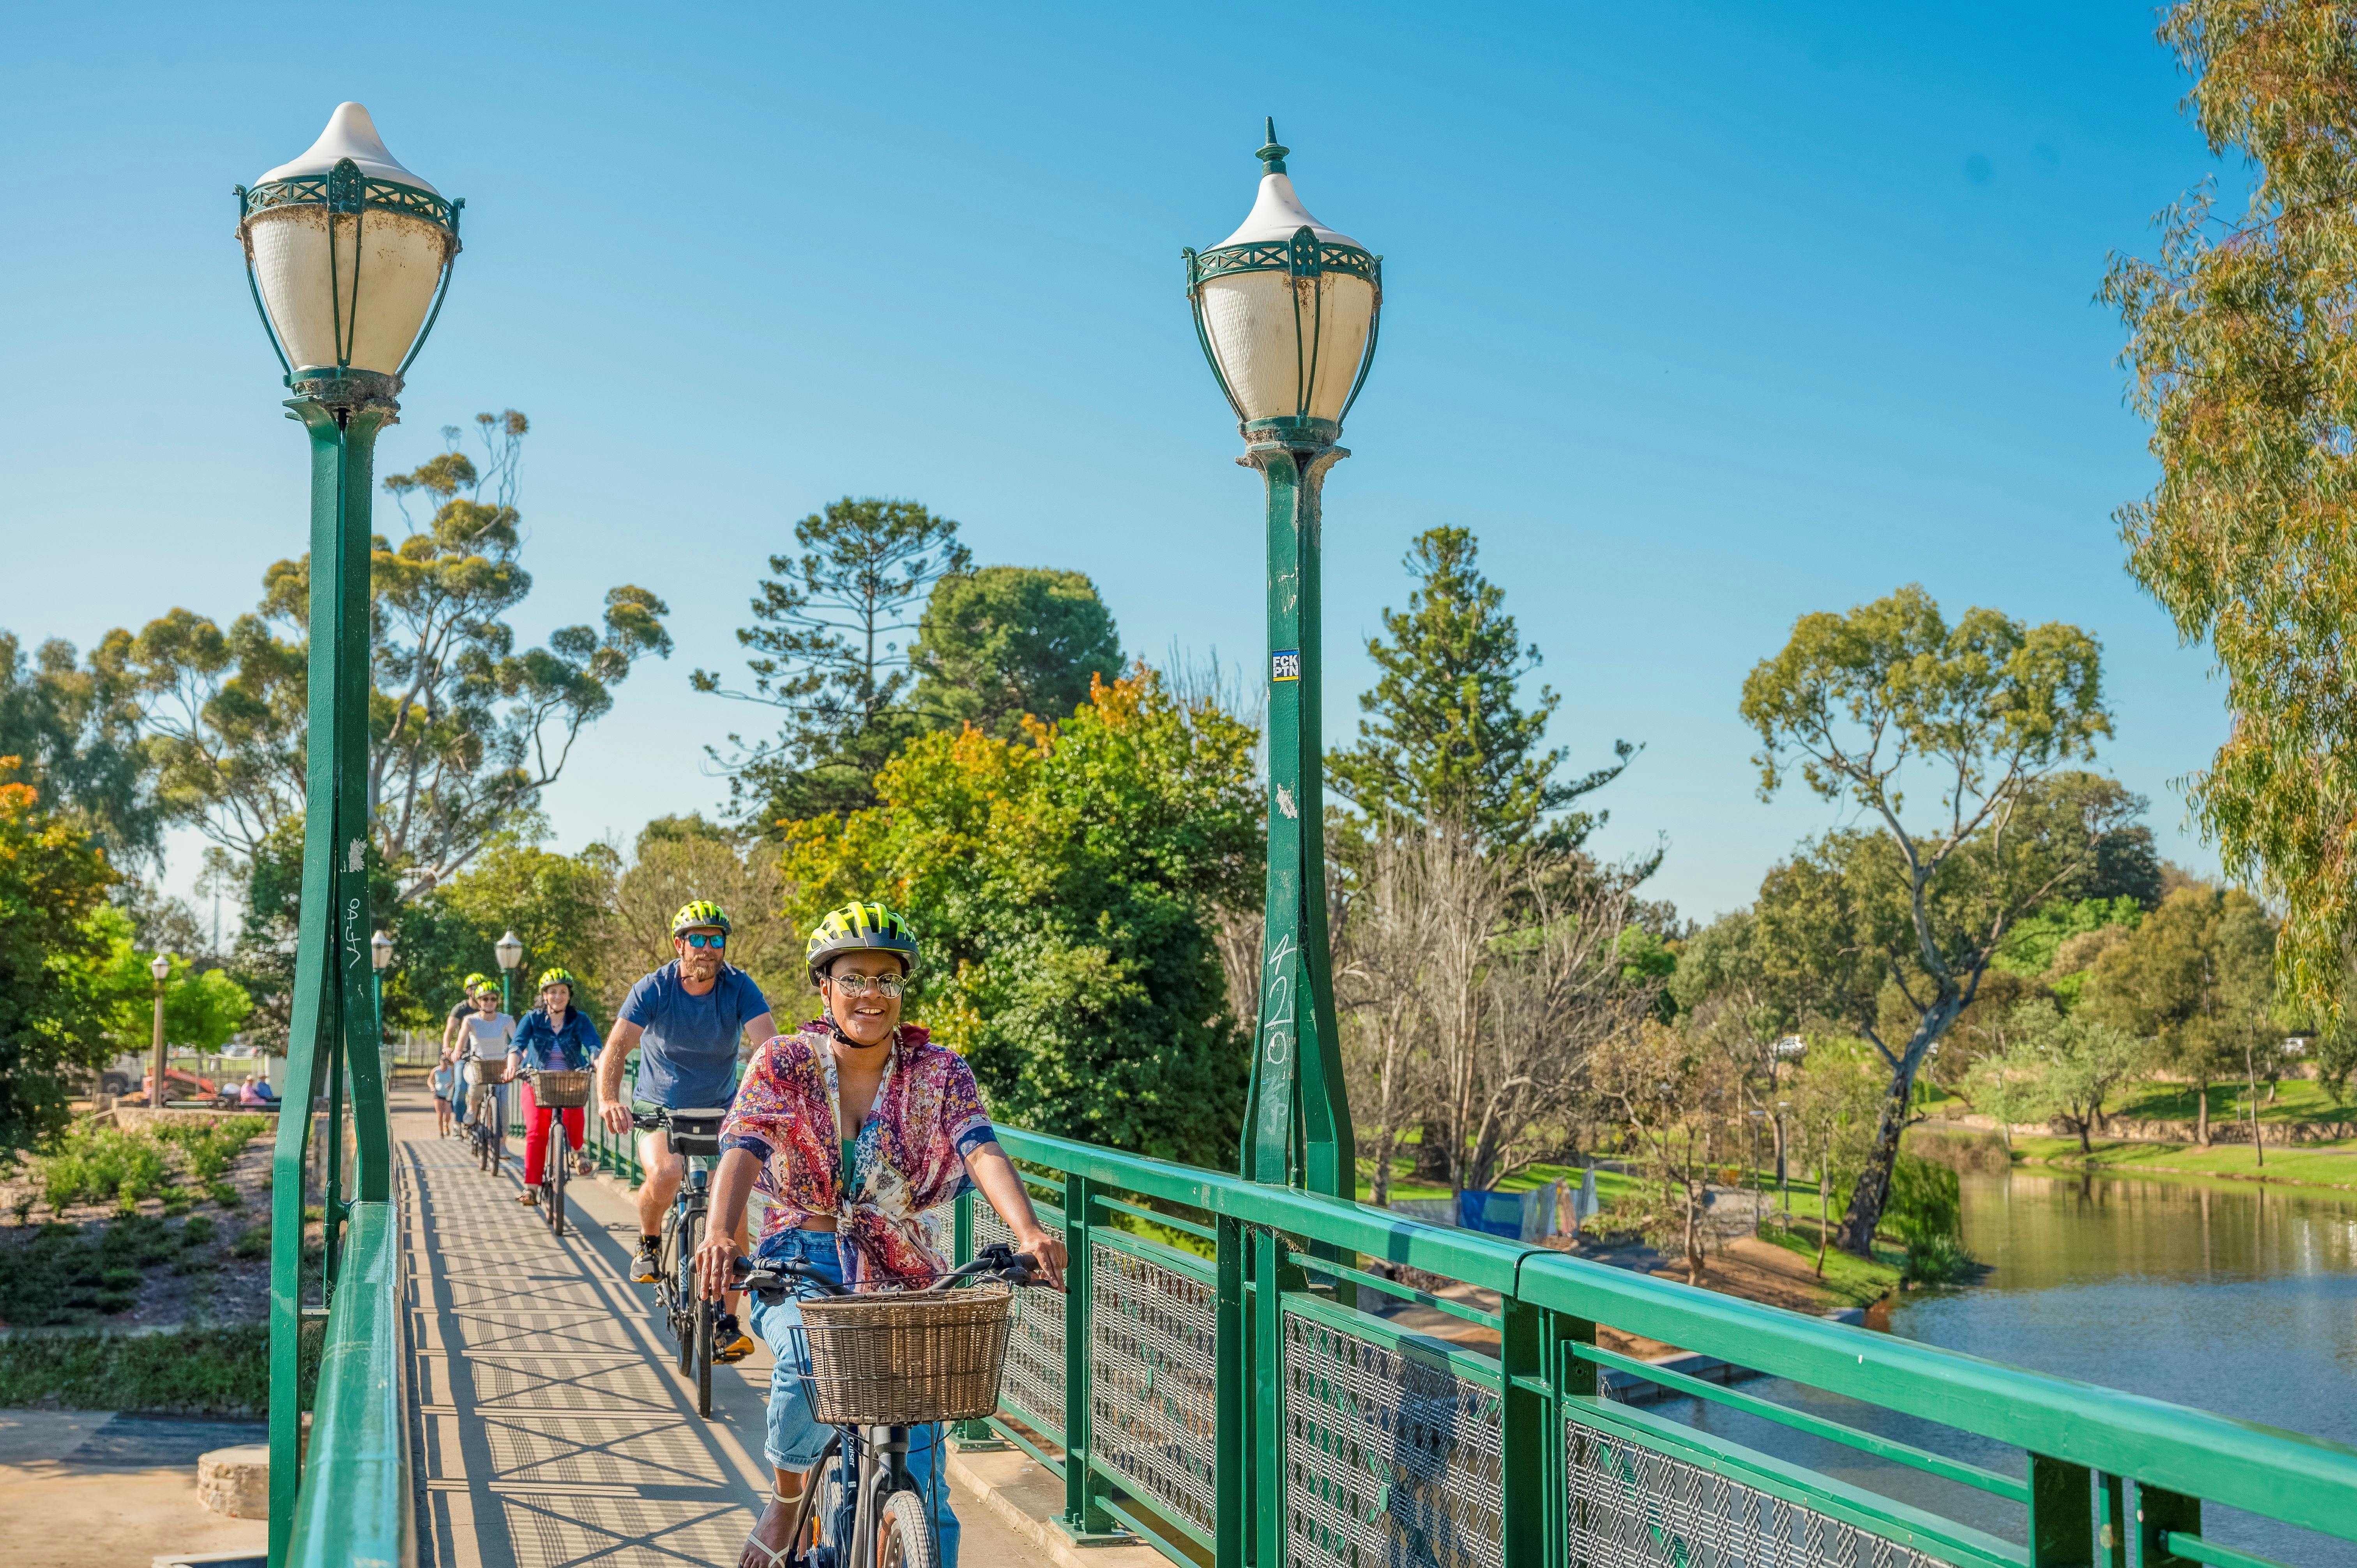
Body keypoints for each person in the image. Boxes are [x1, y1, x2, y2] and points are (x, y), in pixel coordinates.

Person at [694, 901, 1068, 1568]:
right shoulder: (784, 1061)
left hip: (904, 1266)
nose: (872, 992)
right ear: (824, 985)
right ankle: (787, 1496)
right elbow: (744, 1145)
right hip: (801, 1254)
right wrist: (721, 1233)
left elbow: (978, 1145)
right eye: (855, 976)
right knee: (806, 1358)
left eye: (887, 979)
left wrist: (1030, 1229)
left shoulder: (939, 1069)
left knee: (924, 1475)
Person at [596, 900, 777, 1360]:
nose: (707, 948)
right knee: (666, 1174)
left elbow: (768, 1046)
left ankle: (726, 1322)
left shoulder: (739, 987)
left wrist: (775, 1104)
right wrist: (608, 1099)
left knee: (731, 1202)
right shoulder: (653, 988)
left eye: (716, 939)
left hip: (722, 1109)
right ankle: (650, 1239)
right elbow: (618, 1045)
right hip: (660, 1106)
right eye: (697, 939)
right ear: (680, 945)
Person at [496, 966, 601, 1204]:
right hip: (537, 1081)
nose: (558, 996)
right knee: (535, 1132)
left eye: (563, 992)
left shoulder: (580, 1020)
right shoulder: (532, 1018)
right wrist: (512, 1066)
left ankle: (577, 1151)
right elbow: (517, 1045)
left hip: (570, 1080)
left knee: (575, 1109)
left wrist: (598, 1061)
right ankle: (531, 1188)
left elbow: (594, 1045)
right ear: (545, 996)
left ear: (569, 995)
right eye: (552, 992)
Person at [456, 984, 516, 1134]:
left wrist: (523, 1053)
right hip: (478, 1065)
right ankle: (472, 1107)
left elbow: (517, 1042)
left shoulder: (507, 1020)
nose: (489, 1002)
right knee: (476, 1085)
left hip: (500, 1066)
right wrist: (457, 1052)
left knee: (503, 1105)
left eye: (493, 999)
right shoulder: (471, 1021)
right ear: (479, 1001)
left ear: (497, 1001)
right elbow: (461, 1041)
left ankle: (501, 1144)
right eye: (485, 999)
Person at [431, 1049, 457, 1137]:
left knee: (448, 1114)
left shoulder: (451, 1070)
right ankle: (441, 1132)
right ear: (440, 1062)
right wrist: (432, 1087)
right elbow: (429, 1081)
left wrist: (451, 1085)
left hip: (448, 1095)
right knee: (440, 1113)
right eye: (443, 1062)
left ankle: (446, 1125)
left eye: (446, 1062)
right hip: (438, 1094)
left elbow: (455, 1080)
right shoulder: (436, 1071)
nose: (444, 1064)